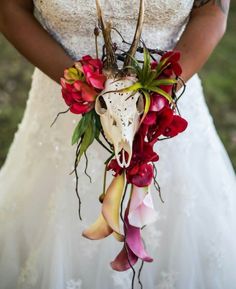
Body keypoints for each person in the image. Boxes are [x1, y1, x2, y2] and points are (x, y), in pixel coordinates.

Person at [0, 0, 236, 288]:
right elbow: (10, 10)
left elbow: (212, 10)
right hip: (61, 116)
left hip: (167, 111)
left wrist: (156, 96)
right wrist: (84, 88)